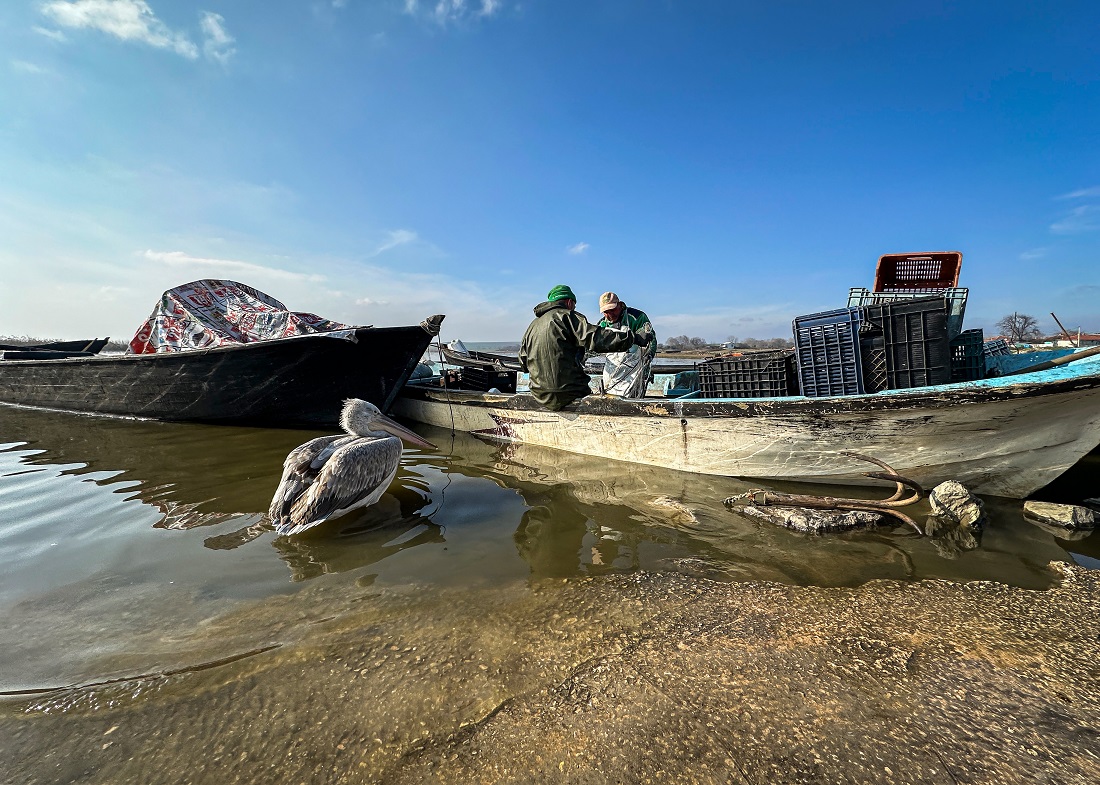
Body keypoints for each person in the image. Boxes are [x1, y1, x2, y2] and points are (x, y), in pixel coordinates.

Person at [518, 284, 647, 411]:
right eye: (574, 305)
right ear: (569, 302)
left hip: (539, 394)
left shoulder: (531, 327)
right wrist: (633, 338)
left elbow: (523, 363)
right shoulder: (568, 316)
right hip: (570, 391)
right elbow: (596, 339)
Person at [596, 291, 657, 398]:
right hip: (612, 370)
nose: (610, 315)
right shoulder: (602, 324)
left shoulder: (637, 318)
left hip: (635, 370)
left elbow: (651, 340)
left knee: (632, 399)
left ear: (620, 305)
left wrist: (648, 359)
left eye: (613, 310)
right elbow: (593, 346)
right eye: (606, 312)